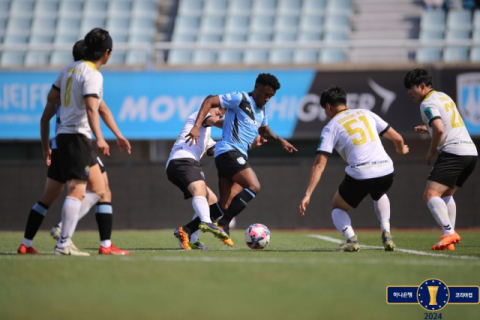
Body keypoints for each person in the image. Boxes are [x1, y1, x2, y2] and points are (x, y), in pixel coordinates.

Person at [18, 40, 130, 255]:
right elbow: (100, 109)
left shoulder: (66, 80)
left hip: (59, 143)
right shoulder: (87, 79)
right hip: (77, 142)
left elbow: (44, 119)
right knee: (98, 190)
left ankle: (26, 243)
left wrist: (45, 148)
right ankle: (71, 235)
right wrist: (107, 136)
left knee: (47, 198)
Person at [186, 73, 297, 246]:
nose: (267, 99)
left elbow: (264, 130)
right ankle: (224, 223)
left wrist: (281, 140)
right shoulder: (239, 98)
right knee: (254, 186)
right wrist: (196, 126)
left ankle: (186, 230)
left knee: (224, 204)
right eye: (266, 94)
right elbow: (209, 102)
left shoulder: (262, 110)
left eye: (271, 96)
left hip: (235, 155)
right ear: (257, 87)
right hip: (229, 152)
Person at [299, 86, 409, 252]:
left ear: (328, 107)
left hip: (361, 174)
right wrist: (401, 149)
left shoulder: (331, 126)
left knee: (337, 208)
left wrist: (308, 194)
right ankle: (386, 232)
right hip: (386, 171)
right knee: (379, 192)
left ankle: (351, 239)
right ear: (345, 102)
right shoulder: (366, 113)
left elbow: (319, 164)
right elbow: (398, 138)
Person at [45, 28, 117, 255]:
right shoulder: (93, 74)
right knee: (77, 189)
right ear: (107, 52)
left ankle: (63, 233)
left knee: (99, 189)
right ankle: (63, 243)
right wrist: (101, 138)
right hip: (77, 136)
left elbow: (52, 98)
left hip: (67, 135)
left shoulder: (68, 69)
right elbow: (91, 108)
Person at [404, 68, 477, 250]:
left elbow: (440, 128)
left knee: (430, 195)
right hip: (470, 153)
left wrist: (430, 151)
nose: (408, 93)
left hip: (453, 152)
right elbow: (445, 123)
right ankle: (449, 241)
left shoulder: (426, 103)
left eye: (410, 88)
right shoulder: (444, 96)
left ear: (422, 86)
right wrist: (427, 128)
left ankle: (449, 233)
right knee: (446, 194)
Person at [168, 96, 230, 250]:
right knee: (200, 189)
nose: (219, 115)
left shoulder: (205, 133)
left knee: (213, 201)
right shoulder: (198, 116)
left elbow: (218, 150)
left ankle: (190, 236)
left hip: (181, 163)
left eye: (222, 115)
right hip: (183, 160)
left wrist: (250, 145)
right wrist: (236, 124)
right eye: (218, 111)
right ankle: (206, 222)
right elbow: (215, 122)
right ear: (208, 107)